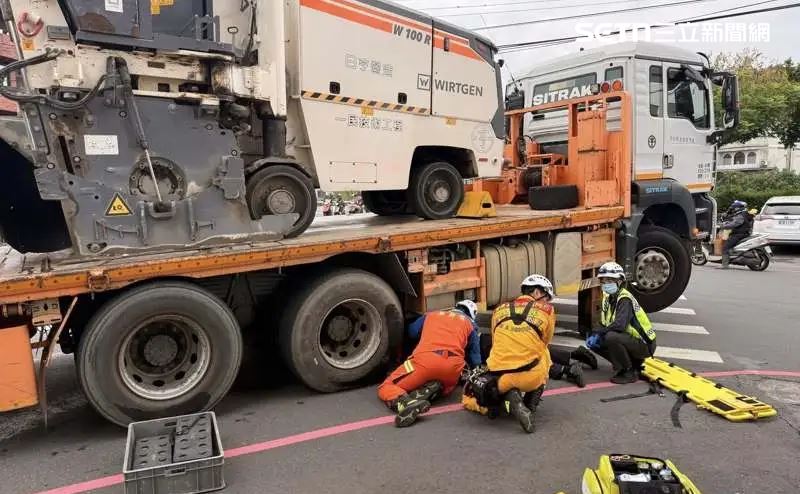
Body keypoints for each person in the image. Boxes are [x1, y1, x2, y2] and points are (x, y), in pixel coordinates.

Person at [466, 275, 557, 433]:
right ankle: (530, 404)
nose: (546, 302)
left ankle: (509, 399)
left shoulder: (498, 309)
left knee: (485, 392)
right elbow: (545, 340)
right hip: (531, 377)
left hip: (499, 378)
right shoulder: (548, 311)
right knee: (544, 352)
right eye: (546, 298)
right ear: (537, 292)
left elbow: (496, 339)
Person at [377, 300, 481, 427]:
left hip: (425, 361)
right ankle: (435, 388)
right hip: (453, 369)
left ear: (456, 307)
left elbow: (412, 332)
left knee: (387, 386)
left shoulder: (432, 315)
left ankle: (405, 403)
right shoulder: (471, 325)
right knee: (447, 385)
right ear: (472, 315)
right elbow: (475, 358)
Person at [588, 262, 657, 384]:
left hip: (644, 344)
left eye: (609, 280)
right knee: (596, 341)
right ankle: (632, 363)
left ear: (619, 281)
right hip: (630, 340)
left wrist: (600, 332)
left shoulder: (624, 299)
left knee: (611, 337)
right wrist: (595, 333)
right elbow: (604, 323)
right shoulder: (608, 298)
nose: (605, 284)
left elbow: (620, 325)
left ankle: (628, 371)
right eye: (603, 281)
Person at [720, 199, 753, 268]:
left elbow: (734, 224)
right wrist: (727, 223)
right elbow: (734, 221)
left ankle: (724, 265)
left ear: (738, 208)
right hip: (744, 233)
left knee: (725, 247)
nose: (733, 210)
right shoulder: (745, 214)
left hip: (739, 234)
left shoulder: (741, 215)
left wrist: (723, 226)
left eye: (734, 208)